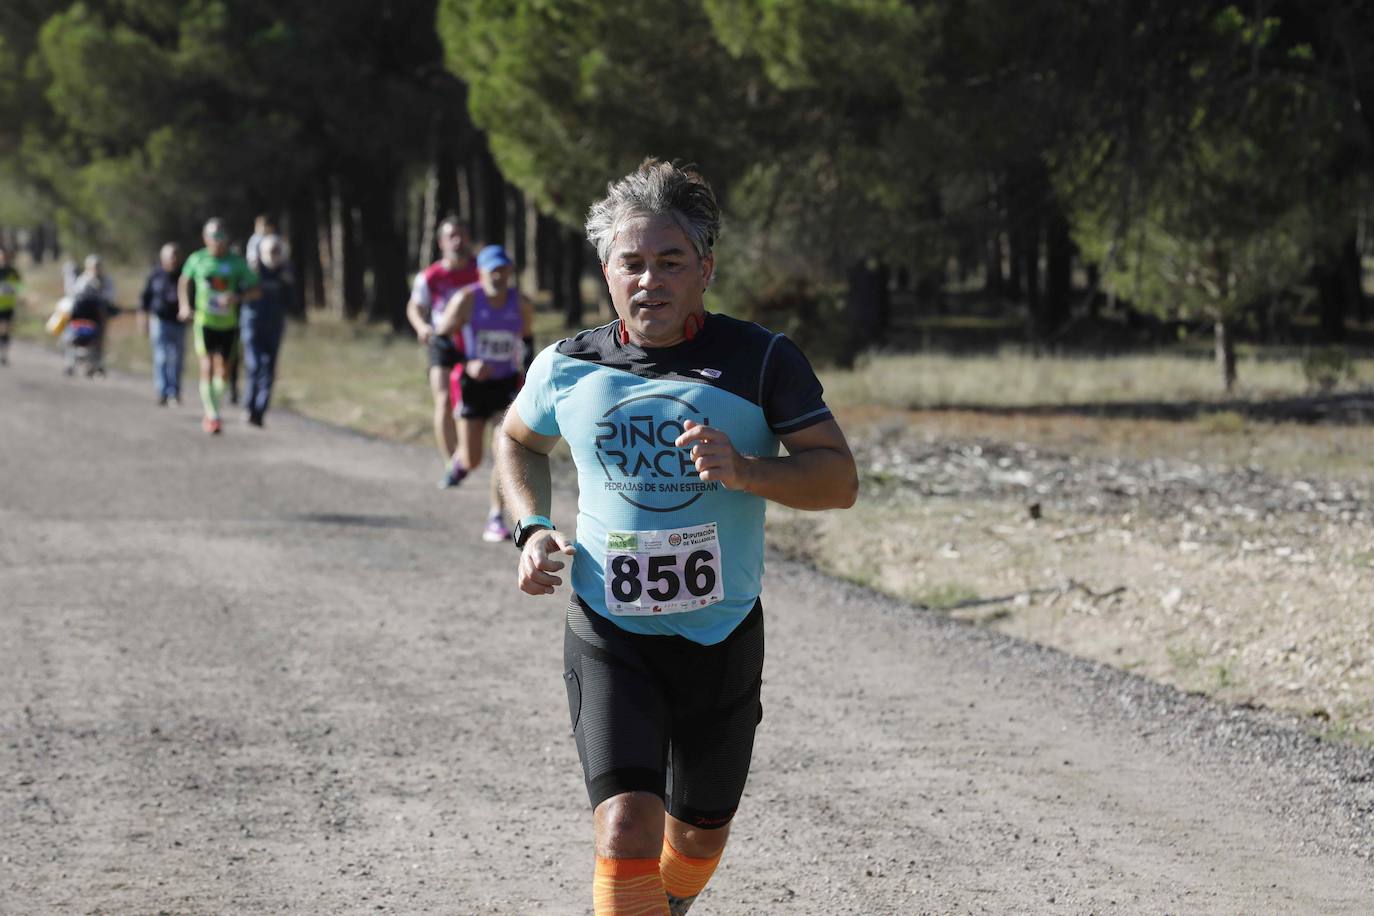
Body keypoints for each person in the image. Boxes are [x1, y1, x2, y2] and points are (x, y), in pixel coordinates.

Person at [494, 159, 858, 915]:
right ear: (606, 270)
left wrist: (748, 470)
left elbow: (837, 481)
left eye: (670, 263)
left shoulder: (761, 360)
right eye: (632, 263)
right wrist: (532, 528)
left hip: (719, 635)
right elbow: (516, 442)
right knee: (627, 825)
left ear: (706, 270)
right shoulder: (567, 365)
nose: (648, 281)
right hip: (609, 630)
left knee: (695, 838)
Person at [433, 244, 535, 541]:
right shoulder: (466, 300)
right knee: (474, 457)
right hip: (473, 385)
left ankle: (496, 516)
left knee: (504, 450)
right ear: (480, 273)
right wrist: (468, 364)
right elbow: (440, 342)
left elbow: (527, 341)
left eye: (504, 270)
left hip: (505, 384)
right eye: (493, 271)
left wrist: (527, 374)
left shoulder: (520, 303)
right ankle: (460, 464)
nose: (499, 276)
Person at [405, 216, 478, 488]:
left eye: (461, 235)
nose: (457, 241)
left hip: (473, 342)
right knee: (444, 400)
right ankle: (452, 463)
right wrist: (421, 326)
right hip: (442, 341)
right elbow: (414, 307)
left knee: (472, 403)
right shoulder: (431, 276)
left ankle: (468, 451)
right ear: (441, 243)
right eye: (451, 236)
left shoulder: (478, 271)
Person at [178, 218, 259, 434]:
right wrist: (185, 306)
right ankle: (212, 415)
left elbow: (256, 289)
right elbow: (184, 281)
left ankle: (213, 411)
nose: (218, 242)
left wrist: (237, 297)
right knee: (206, 366)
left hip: (229, 324)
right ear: (205, 238)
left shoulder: (236, 263)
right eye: (214, 237)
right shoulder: (197, 259)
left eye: (222, 237)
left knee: (223, 371)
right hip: (204, 322)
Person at [239, 234, 294, 427]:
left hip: (274, 326)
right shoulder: (253, 271)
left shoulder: (284, 273)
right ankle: (249, 406)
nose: (274, 255)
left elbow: (292, 301)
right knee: (254, 366)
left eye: (277, 251)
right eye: (271, 251)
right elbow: (240, 293)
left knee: (269, 368)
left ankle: (260, 411)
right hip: (253, 324)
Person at [138, 242, 186, 405]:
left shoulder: (184, 274)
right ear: (162, 257)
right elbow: (145, 299)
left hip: (179, 322)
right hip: (159, 320)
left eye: (175, 256)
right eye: (170, 256)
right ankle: (162, 391)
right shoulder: (155, 274)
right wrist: (142, 320)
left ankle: (174, 392)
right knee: (161, 357)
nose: (173, 259)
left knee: (177, 358)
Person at [0, 246, 22, 366]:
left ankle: (4, 354)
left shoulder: (12, 271)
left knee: (5, 329)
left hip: (7, 305)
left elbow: (20, 287)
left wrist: (11, 289)